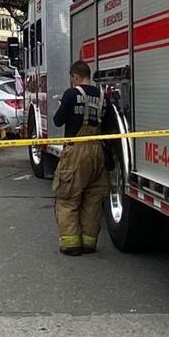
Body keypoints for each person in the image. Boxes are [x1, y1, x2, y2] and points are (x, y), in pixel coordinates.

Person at [51, 59, 110, 256]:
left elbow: (58, 121)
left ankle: (71, 244)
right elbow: (108, 125)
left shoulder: (71, 94)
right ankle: (89, 242)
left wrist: (63, 105)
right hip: (98, 152)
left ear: (75, 77)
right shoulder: (103, 97)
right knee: (93, 200)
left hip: (76, 151)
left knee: (67, 197)